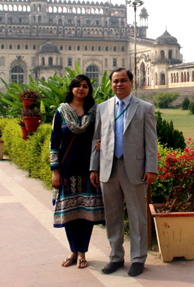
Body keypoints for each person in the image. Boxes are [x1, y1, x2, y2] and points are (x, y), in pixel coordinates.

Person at [90, 68, 158, 278]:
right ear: (111, 84)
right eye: (115, 81)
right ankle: (115, 257)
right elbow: (96, 139)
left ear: (131, 82)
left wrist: (151, 169)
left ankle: (138, 259)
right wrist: (94, 167)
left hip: (135, 169)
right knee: (112, 215)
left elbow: (151, 141)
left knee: (137, 216)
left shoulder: (144, 108)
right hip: (108, 168)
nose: (119, 84)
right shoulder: (102, 108)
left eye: (123, 81)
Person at [51, 75, 103, 270]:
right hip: (67, 169)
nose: (81, 89)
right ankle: (74, 250)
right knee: (69, 213)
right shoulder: (61, 112)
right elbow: (54, 142)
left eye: (85, 86)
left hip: (88, 169)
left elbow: (101, 135)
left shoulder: (94, 112)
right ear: (71, 89)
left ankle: (82, 252)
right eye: (77, 86)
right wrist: (55, 170)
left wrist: (101, 144)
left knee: (86, 213)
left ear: (89, 90)